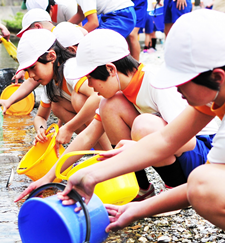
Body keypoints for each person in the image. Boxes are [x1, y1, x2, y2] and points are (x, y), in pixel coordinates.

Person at [57, 9, 225, 231]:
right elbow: (166, 139)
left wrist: (141, 208)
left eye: (181, 81)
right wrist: (90, 176)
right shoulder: (209, 99)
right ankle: (144, 190)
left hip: (200, 157)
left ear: (217, 77)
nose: (176, 88)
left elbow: (200, 184)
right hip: (199, 159)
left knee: (204, 185)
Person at [14, 28, 218, 202]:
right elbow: (86, 137)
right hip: (176, 151)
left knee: (143, 125)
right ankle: (142, 190)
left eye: (91, 78)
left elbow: (189, 141)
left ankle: (175, 187)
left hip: (203, 155)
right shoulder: (116, 96)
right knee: (109, 106)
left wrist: (138, 148)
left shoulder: (154, 82)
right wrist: (50, 177)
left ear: (111, 70)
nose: (91, 86)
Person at [68, 0, 136, 38]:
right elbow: (80, 14)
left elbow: (94, 22)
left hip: (121, 15)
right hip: (121, 13)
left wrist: (73, 37)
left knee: (94, 42)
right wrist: (60, 29)